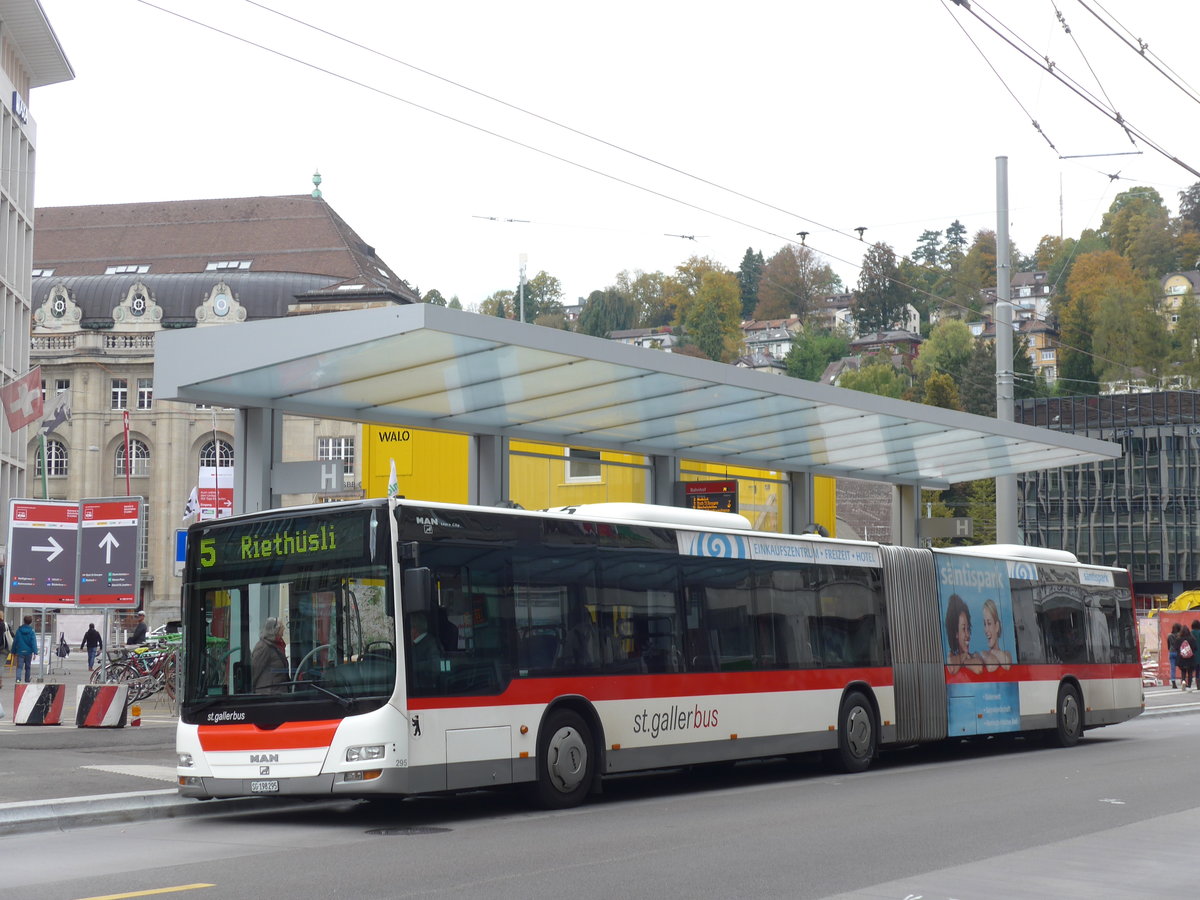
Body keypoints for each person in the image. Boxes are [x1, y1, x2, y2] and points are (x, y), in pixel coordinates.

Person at [944, 593, 982, 672]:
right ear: (955, 633)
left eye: (968, 628)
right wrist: (964, 656)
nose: (968, 634)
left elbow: (979, 668)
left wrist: (963, 661)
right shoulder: (951, 656)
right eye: (963, 629)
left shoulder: (975, 655)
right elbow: (952, 668)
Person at [251, 617, 290, 694]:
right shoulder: (263, 647)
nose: (284, 628)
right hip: (268, 694)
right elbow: (254, 671)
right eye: (282, 627)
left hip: (278, 693)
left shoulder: (278, 645)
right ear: (275, 630)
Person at [408, 611, 443, 689]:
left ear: (414, 630)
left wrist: (411, 666)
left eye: (408, 629)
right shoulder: (414, 644)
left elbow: (435, 666)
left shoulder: (431, 644)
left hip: (426, 688)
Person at [979, 597, 1013, 670]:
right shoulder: (983, 654)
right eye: (985, 624)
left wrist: (993, 652)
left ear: (997, 626)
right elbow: (991, 666)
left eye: (989, 623)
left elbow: (1006, 665)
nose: (986, 630)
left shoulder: (1007, 654)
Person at [11, 615, 38, 684]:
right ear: (31, 622)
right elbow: (33, 642)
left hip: (20, 651)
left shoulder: (19, 630)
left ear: (24, 621)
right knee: (28, 667)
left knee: (19, 667)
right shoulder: (32, 631)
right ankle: (27, 680)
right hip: (28, 652)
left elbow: (15, 641)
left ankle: (18, 679)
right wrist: (35, 652)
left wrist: (13, 651)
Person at [1178, 622, 1198, 690]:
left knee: (1183, 671)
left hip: (1182, 658)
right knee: (1190, 672)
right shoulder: (1192, 639)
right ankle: (1189, 684)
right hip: (1191, 658)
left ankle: (1183, 681)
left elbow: (1176, 648)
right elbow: (1195, 648)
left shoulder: (1179, 639)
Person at [1167, 623, 1182, 689]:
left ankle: (1173, 683)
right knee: (1182, 667)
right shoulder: (1180, 636)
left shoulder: (1169, 636)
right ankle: (1184, 680)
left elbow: (1168, 645)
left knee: (1173, 668)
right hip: (1178, 653)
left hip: (1171, 652)